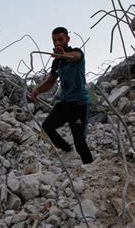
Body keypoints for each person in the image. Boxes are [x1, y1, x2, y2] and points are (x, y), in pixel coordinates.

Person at [31, 27, 94, 164]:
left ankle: (90, 168)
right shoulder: (57, 62)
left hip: (79, 104)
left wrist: (64, 54)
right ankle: (66, 149)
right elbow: (50, 82)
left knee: (80, 142)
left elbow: (75, 57)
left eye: (60, 39)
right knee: (47, 126)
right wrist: (37, 90)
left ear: (67, 39)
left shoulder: (76, 53)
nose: (57, 43)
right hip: (64, 104)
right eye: (54, 40)